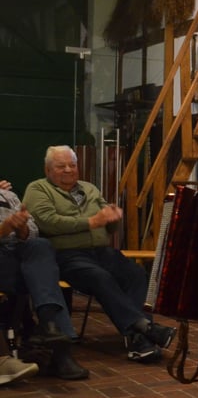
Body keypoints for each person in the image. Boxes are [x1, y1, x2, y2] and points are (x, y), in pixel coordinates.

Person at [22, 145, 176, 363]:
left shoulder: (89, 188)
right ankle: (144, 330)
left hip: (102, 251)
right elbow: (48, 222)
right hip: (66, 254)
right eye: (61, 166)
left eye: (72, 165)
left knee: (136, 274)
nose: (68, 170)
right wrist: (91, 221)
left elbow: (108, 223)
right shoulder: (38, 189)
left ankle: (139, 336)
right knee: (99, 277)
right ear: (47, 170)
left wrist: (113, 218)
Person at [0, 179, 89, 380]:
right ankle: (61, 354)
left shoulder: (7, 195)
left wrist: (21, 229)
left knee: (40, 246)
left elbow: (33, 231)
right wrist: (4, 229)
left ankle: (49, 325)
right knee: (43, 276)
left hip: (19, 258)